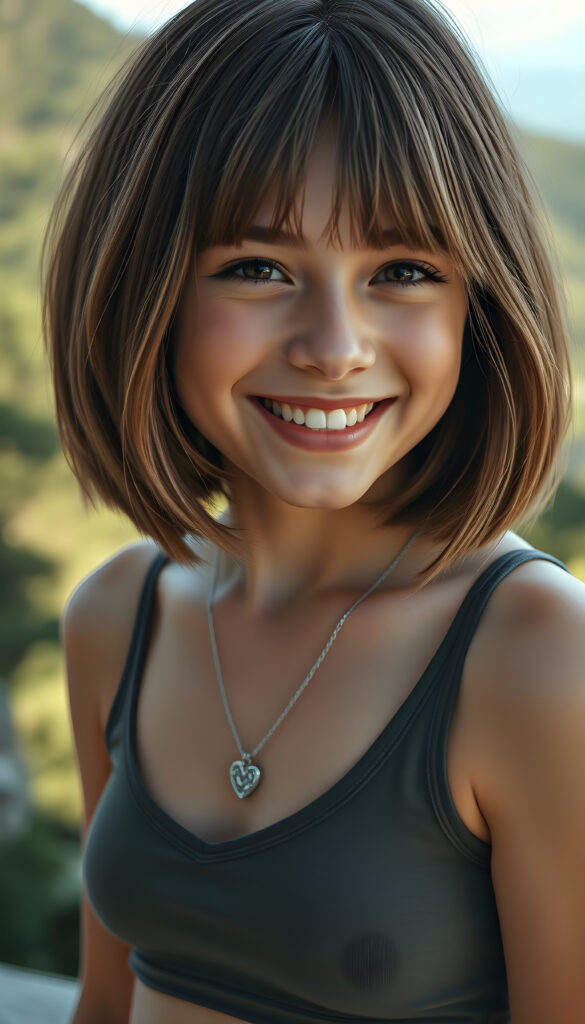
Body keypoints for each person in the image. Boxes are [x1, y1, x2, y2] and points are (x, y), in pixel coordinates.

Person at [41, 1, 585, 1022]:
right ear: (142, 285)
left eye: (404, 273)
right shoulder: (117, 614)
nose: (334, 344)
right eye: (258, 268)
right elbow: (104, 1004)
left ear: (481, 301)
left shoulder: (536, 653)